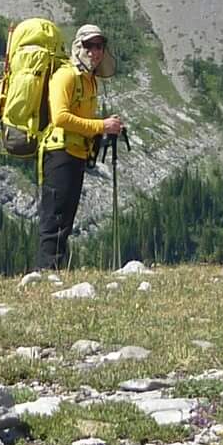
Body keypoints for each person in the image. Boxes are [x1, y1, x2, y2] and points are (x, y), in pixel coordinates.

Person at [36, 23, 126, 269]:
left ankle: (54, 270)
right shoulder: (65, 76)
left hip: (75, 154)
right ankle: (45, 271)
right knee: (54, 216)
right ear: (79, 46)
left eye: (99, 46)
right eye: (89, 46)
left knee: (65, 218)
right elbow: (60, 117)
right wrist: (101, 126)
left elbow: (82, 120)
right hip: (59, 152)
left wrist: (104, 130)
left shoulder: (89, 80)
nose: (95, 52)